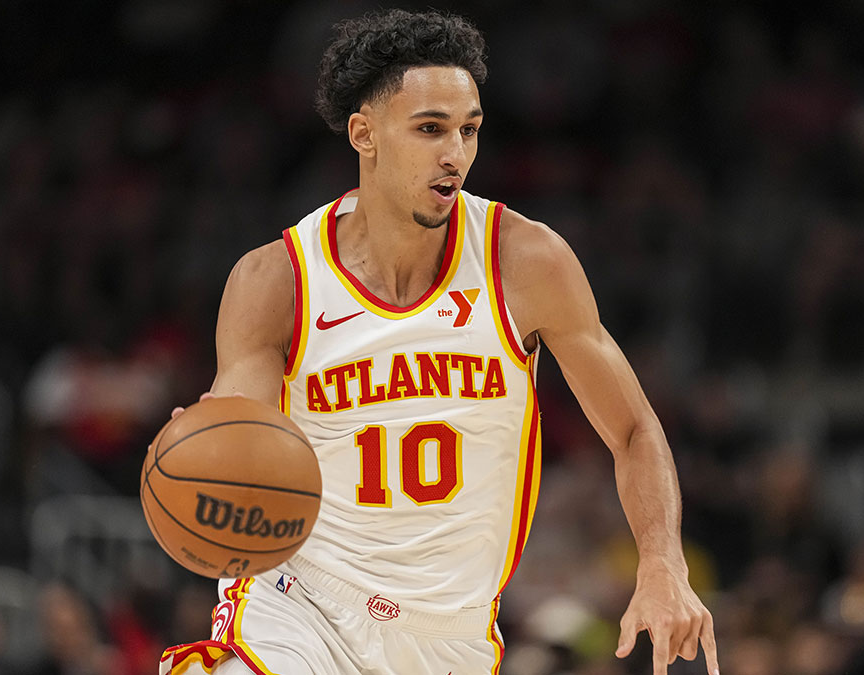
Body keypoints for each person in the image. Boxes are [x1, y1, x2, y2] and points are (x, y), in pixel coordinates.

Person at [159, 9, 718, 675]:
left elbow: (633, 429)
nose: (454, 153)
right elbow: (243, 431)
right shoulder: (277, 280)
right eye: (429, 129)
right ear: (364, 134)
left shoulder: (527, 261)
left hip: (450, 636)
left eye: (469, 130)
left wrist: (662, 561)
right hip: (298, 607)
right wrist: (213, 444)